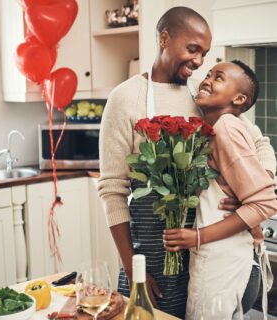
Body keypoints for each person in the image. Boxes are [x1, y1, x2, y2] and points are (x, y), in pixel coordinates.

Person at [98, 6, 276, 318]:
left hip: (203, 251)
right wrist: (133, 268)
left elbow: (260, 143)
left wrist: (247, 190)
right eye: (192, 49)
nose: (198, 62)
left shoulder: (203, 98)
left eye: (204, 54)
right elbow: (112, 191)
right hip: (151, 253)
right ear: (164, 39)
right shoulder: (125, 98)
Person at [163, 60, 277, 319]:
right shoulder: (220, 127)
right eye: (209, 74)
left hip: (220, 260)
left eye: (219, 77)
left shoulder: (226, 127)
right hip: (227, 256)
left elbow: (265, 203)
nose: (207, 80)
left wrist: (197, 236)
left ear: (239, 99)